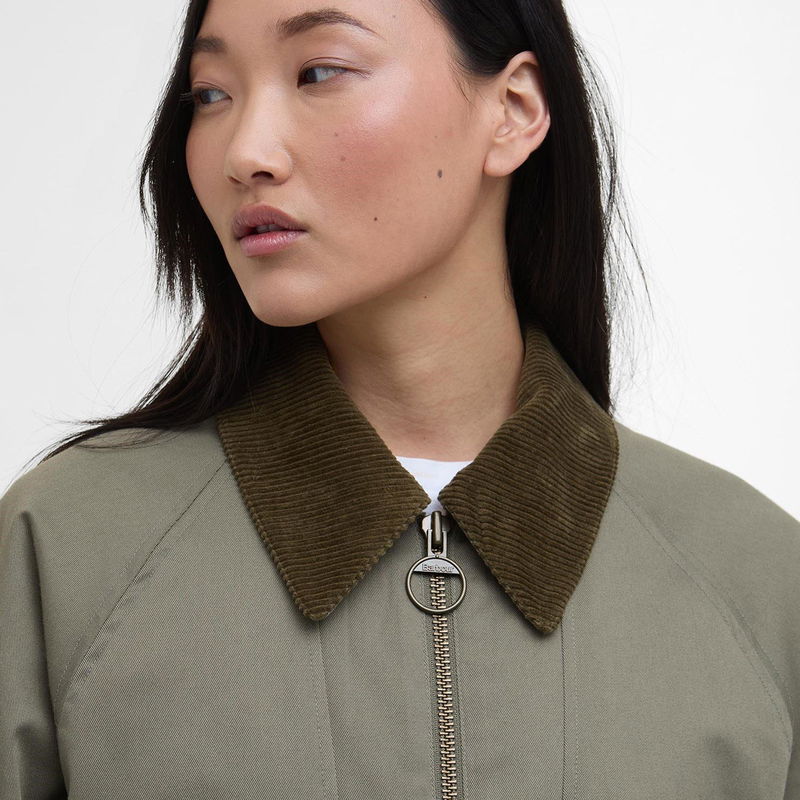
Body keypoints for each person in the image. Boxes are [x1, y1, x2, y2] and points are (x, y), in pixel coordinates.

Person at [1, 0, 798, 797]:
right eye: (210, 94)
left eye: (319, 71)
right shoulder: (67, 552)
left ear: (513, 110)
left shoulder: (758, 580)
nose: (244, 152)